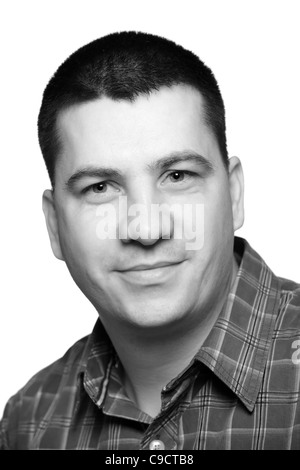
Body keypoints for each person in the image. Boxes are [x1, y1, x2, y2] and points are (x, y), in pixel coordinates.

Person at [0, 31, 299, 451]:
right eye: (100, 187)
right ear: (54, 225)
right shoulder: (27, 423)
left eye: (178, 176)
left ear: (233, 196)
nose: (145, 229)